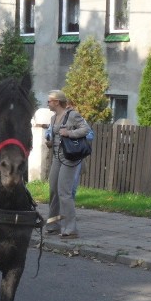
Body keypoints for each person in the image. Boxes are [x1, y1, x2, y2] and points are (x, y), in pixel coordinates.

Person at [44, 90, 90, 239]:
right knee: (53, 190)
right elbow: (55, 135)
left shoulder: (72, 115)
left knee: (64, 192)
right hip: (57, 157)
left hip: (70, 157)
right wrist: (50, 142)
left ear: (57, 102)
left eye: (49, 101)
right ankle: (53, 225)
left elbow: (86, 130)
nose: (48, 103)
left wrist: (69, 133)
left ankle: (71, 229)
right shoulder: (53, 118)